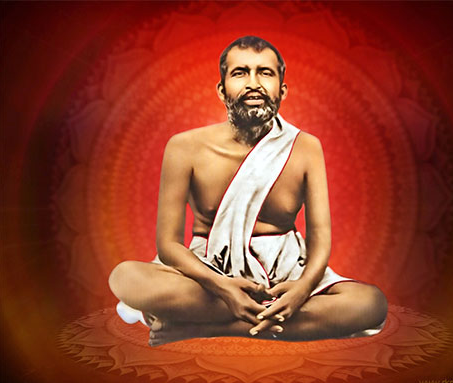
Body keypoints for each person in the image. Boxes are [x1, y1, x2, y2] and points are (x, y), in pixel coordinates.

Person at [108, 36, 388, 346]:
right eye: (240, 73)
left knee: (370, 303)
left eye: (265, 73)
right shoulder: (184, 147)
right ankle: (263, 316)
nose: (253, 83)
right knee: (125, 277)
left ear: (282, 90)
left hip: (285, 275)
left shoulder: (306, 147)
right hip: (207, 274)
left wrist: (303, 289)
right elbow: (168, 245)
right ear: (221, 89)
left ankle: (203, 327)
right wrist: (222, 286)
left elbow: (320, 239)